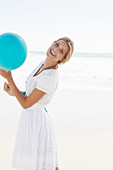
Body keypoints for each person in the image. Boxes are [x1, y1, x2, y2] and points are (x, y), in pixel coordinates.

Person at [0, 37, 74, 170]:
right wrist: (14, 92)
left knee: (39, 164)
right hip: (29, 119)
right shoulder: (42, 64)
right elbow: (31, 96)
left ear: (62, 59)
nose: (55, 49)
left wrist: (10, 78)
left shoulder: (50, 77)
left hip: (36, 123)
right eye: (56, 44)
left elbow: (26, 104)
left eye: (61, 50)